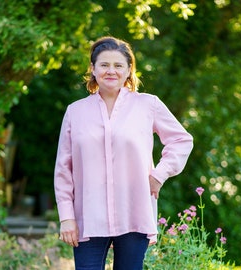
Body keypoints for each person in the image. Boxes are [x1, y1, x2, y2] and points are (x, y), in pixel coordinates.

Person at [54, 36, 193, 270]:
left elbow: (181, 140)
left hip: (134, 212)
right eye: (104, 65)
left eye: (118, 65)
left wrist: (159, 175)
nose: (111, 71)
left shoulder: (148, 105)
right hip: (88, 217)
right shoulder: (75, 112)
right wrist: (66, 217)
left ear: (129, 70)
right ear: (93, 69)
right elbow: (63, 170)